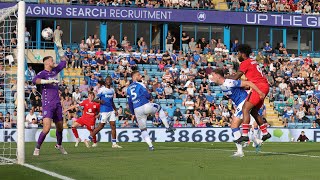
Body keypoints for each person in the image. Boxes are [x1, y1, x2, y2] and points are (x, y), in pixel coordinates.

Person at [209, 68, 264, 157]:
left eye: (213, 75)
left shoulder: (229, 82)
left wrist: (259, 92)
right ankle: (255, 140)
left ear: (218, 76)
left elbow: (248, 83)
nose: (212, 77)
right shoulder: (223, 84)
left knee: (234, 126)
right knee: (235, 127)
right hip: (240, 104)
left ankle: (240, 151)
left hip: (244, 102)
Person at [229, 44, 271, 143]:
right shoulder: (253, 61)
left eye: (238, 53)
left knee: (245, 109)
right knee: (253, 111)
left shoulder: (244, 63)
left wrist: (224, 79)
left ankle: (244, 135)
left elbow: (236, 78)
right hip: (264, 86)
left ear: (243, 54)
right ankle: (265, 133)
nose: (237, 55)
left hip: (259, 87)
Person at [127, 71, 176, 150]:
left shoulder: (128, 88)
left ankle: (150, 146)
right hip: (145, 105)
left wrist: (133, 113)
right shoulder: (140, 84)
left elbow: (130, 102)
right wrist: (150, 98)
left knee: (143, 129)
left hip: (137, 109)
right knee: (159, 108)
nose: (141, 76)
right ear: (135, 77)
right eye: (139, 75)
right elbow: (146, 94)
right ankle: (167, 127)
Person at [32, 56, 67, 156]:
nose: (54, 62)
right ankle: (37, 148)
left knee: (60, 127)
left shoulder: (54, 71)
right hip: (48, 104)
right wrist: (48, 81)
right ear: (47, 63)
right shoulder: (43, 73)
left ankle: (59, 145)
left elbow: (64, 62)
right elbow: (35, 80)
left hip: (57, 103)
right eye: (52, 60)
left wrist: (60, 48)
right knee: (46, 128)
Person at [88, 77, 122, 148]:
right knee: (101, 126)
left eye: (110, 80)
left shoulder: (112, 90)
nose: (109, 81)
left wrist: (115, 110)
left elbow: (111, 101)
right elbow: (94, 99)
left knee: (113, 126)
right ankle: (89, 138)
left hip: (111, 110)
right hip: (104, 110)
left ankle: (114, 144)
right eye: (107, 80)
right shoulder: (102, 90)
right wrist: (100, 101)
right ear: (105, 82)